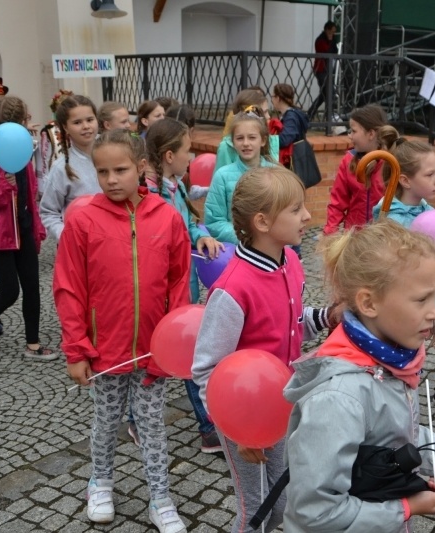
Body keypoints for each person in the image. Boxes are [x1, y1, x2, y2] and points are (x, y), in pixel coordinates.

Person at [284, 220, 435, 532]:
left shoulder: (391, 363)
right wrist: (405, 508)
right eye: (421, 299)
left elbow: (392, 430)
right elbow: (314, 512)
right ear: (369, 303)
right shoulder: (338, 399)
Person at [54, 129, 191, 532]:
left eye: (120, 170)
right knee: (106, 421)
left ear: (141, 166)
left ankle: (160, 498)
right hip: (104, 351)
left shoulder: (166, 217)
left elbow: (179, 284)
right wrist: (77, 349)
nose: (111, 179)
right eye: (102, 172)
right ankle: (100, 483)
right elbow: (69, 287)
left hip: (152, 351)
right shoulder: (83, 219)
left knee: (152, 426)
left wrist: (173, 345)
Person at [192, 167, 331, 533]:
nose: (307, 216)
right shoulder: (233, 289)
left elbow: (293, 323)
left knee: (281, 501)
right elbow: (206, 369)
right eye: (296, 209)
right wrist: (237, 431)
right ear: (263, 222)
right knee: (255, 508)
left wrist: (328, 316)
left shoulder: (291, 262)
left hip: (281, 402)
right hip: (242, 415)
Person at [145, 117, 224, 454]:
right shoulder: (150, 195)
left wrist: (200, 234)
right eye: (187, 151)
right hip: (164, 293)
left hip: (184, 288)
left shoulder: (174, 186)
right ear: (168, 156)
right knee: (185, 354)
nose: (191, 158)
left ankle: (139, 418)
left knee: (182, 353)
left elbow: (188, 222)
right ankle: (207, 427)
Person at [0, 96, 56, 361]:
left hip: (23, 226)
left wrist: (36, 225)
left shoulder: (22, 148)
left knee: (32, 287)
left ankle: (33, 344)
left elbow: (30, 191)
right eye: (24, 119)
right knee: (10, 291)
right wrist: (4, 185)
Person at [372, 139, 435, 346]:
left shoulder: (430, 215)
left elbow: (432, 274)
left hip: (420, 313)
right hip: (398, 316)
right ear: (405, 180)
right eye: (430, 175)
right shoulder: (393, 223)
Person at [204, 107, 279, 244]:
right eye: (239, 138)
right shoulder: (222, 176)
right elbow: (214, 221)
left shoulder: (277, 173)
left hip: (271, 247)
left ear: (263, 140)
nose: (245, 143)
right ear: (232, 142)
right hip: (238, 248)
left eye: (252, 137)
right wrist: (247, 237)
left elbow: (285, 213)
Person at [323, 104, 397, 235]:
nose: (350, 136)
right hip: (355, 236)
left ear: (371, 134)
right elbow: (337, 203)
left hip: (384, 236)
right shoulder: (348, 160)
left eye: (353, 131)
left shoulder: (392, 163)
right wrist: (329, 234)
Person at [39, 94, 101, 240]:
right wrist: (67, 237)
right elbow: (48, 212)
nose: (86, 126)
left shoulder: (114, 154)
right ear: (65, 127)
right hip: (80, 244)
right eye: (77, 122)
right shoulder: (61, 168)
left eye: (90, 120)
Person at [214, 88, 279, 173]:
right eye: (264, 112)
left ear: (263, 140)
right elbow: (221, 176)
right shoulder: (226, 147)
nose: (268, 116)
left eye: (252, 137)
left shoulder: (272, 141)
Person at [36, 89, 74, 191]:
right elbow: (45, 160)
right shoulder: (49, 131)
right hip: (56, 180)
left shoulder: (76, 127)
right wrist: (43, 188)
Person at [306, 21, 338, 120]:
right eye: (331, 32)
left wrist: (331, 41)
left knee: (325, 94)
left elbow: (335, 51)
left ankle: (310, 114)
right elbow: (327, 51)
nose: (332, 34)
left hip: (327, 69)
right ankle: (328, 117)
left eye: (334, 32)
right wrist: (330, 41)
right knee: (328, 92)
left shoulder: (332, 39)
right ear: (327, 30)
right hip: (320, 69)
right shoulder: (320, 40)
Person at [271, 83, 309, 168]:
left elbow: (285, 139)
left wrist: (267, 141)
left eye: (272, 97)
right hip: (298, 158)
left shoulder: (291, 117)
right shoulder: (292, 114)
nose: (272, 100)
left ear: (278, 98)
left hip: (293, 161)